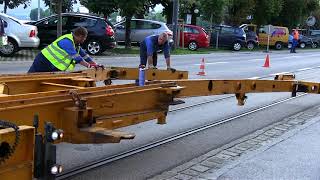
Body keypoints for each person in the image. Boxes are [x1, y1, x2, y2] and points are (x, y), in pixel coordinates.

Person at [28, 27, 102, 73]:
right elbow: (77, 58)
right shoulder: (67, 41)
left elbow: (85, 56)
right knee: (30, 79)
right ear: (80, 36)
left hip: (53, 66)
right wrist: (89, 66)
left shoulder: (76, 45)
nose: (85, 39)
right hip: (43, 61)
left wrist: (95, 64)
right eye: (84, 38)